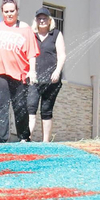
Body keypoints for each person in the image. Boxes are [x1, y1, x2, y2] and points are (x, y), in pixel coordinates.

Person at [0, 0, 38, 143]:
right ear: (2, 12)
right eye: (6, 11)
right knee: (1, 105)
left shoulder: (25, 29)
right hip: (0, 72)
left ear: (17, 11)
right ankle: (0, 139)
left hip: (19, 73)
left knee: (20, 106)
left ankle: (24, 136)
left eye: (12, 11)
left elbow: (32, 53)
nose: (9, 14)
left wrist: (32, 70)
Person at [31, 8, 68, 142]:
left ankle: (45, 142)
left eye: (44, 18)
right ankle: (27, 139)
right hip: (34, 79)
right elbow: (29, 54)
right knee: (31, 108)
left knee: (46, 109)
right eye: (39, 18)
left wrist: (57, 71)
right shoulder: (32, 35)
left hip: (51, 80)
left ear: (49, 20)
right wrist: (31, 71)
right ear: (36, 20)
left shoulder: (56, 34)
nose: (42, 21)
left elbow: (62, 55)